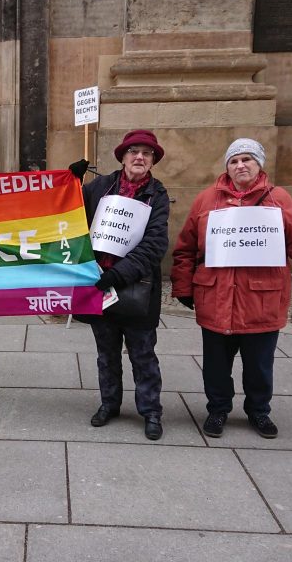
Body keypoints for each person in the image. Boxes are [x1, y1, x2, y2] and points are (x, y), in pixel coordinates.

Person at [171, 138, 292, 439]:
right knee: (215, 366)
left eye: (247, 159)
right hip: (216, 297)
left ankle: (259, 411)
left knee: (259, 366)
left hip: (261, 299)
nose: (240, 165)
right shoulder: (206, 200)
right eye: (234, 160)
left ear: (259, 164)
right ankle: (218, 409)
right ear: (227, 167)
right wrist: (183, 289)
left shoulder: (278, 198)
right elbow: (185, 249)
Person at [70, 129, 170, 440]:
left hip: (136, 285)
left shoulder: (158, 194)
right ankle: (109, 403)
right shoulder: (100, 186)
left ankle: (150, 410)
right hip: (100, 285)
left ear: (152, 160)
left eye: (146, 153)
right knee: (107, 352)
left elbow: (155, 244)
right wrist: (71, 182)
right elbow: (69, 214)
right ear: (123, 157)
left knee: (143, 354)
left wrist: (120, 273)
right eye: (133, 151)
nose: (139, 157)